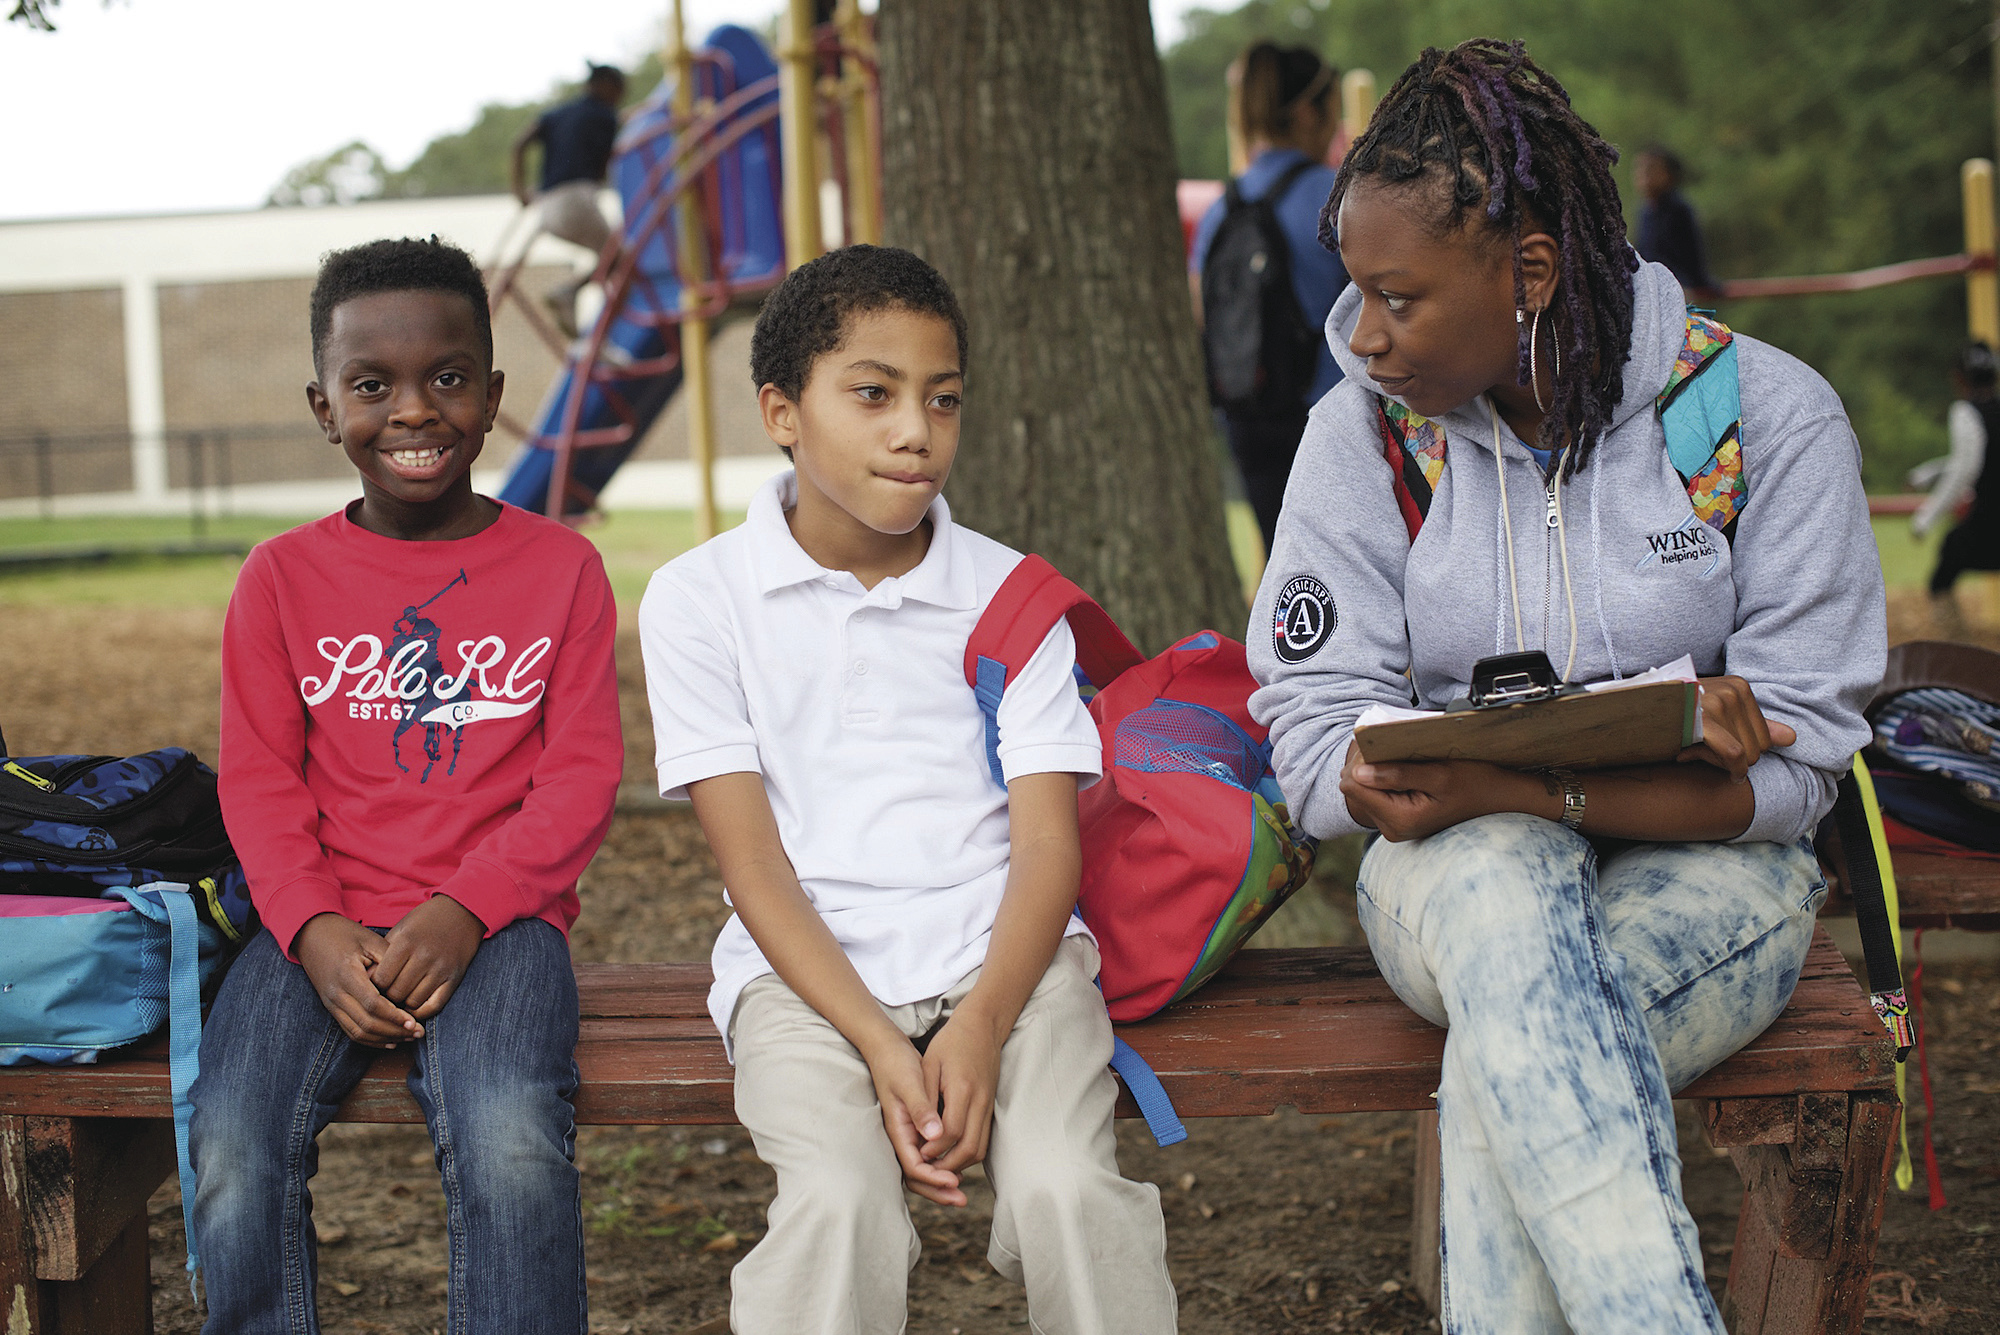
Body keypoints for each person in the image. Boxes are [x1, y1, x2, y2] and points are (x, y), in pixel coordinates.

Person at [1248, 41, 1882, 1332]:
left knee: (1520, 1056)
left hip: (1717, 880)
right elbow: (1312, 723)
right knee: (1504, 881)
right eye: (1355, 292)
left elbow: (1800, 762)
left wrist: (1529, 778)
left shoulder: (1762, 416)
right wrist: (1385, 776)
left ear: (1527, 271)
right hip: (1451, 868)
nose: (1362, 337)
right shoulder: (1364, 431)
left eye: (1400, 298)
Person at [638, 244, 1176, 1335]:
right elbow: (751, 865)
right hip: (803, 982)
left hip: (1009, 965)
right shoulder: (699, 600)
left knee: (1067, 1192)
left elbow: (1046, 850)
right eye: (872, 395)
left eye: (942, 399)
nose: (913, 431)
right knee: (837, 1207)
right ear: (782, 412)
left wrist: (976, 1027)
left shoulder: (1008, 593)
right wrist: (884, 1048)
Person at [191, 237, 623, 1333]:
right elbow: (259, 783)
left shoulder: (561, 569)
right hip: (317, 925)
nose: (415, 410)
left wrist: (468, 909)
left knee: (510, 1135)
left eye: (447, 377)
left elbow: (578, 780)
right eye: (372, 385)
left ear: (491, 395)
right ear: (325, 408)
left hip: (504, 924)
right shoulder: (280, 578)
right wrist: (313, 928)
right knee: (233, 1138)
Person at [1191, 41, 1349, 554]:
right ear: (1308, 113)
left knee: (1280, 568)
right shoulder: (1339, 197)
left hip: (1247, 419)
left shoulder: (1222, 208)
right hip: (1331, 422)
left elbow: (1202, 309)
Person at [511, 64, 627, 337]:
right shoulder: (604, 115)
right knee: (624, 263)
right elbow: (604, 166)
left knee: (610, 259)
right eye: (619, 91)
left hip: (546, 207)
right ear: (606, 86)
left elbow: (519, 143)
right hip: (576, 201)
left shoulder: (557, 113)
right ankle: (572, 293)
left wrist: (519, 192)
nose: (619, 98)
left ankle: (574, 302)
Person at [1913, 341, 2000, 614]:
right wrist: (1927, 474)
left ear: (1959, 377)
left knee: (1945, 567)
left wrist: (1926, 517)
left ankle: (1955, 643)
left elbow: (1965, 469)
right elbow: (1982, 458)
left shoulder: (1965, 413)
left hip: (1991, 520)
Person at [1633, 145, 1722, 303]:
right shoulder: (1646, 212)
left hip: (1677, 289)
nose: (1644, 174)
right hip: (1649, 289)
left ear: (1668, 174)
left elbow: (1693, 255)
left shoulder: (1679, 209)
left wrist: (1704, 284)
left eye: (1651, 169)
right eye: (1640, 168)